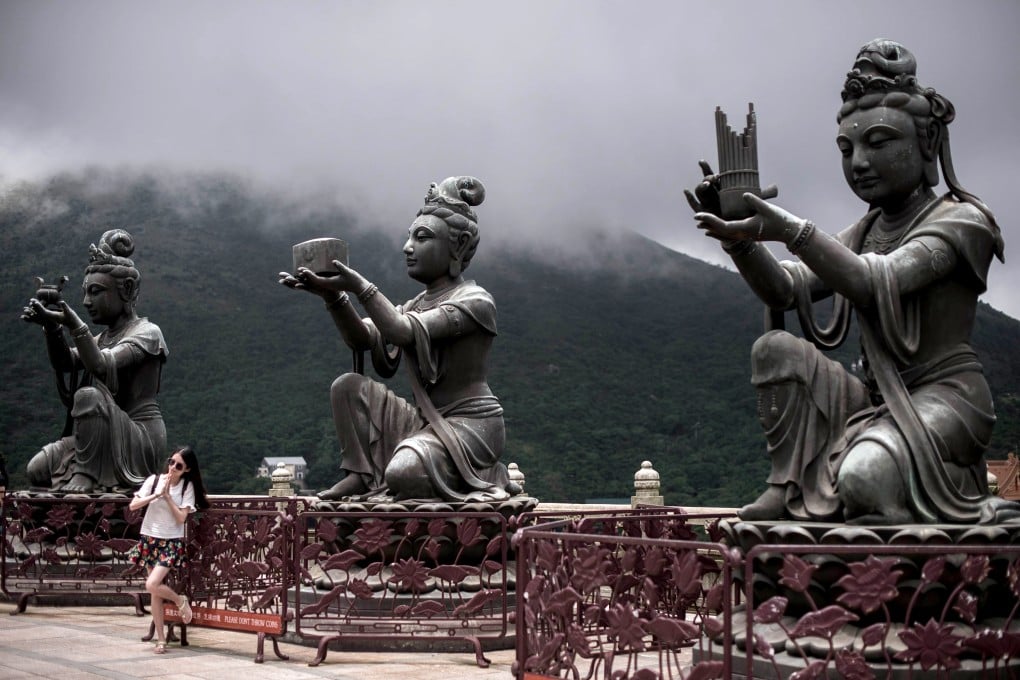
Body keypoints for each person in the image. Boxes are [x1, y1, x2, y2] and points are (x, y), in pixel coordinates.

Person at [689, 39, 1018, 525]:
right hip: (876, 401)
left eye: (878, 142)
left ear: (925, 144)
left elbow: (872, 280)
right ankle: (787, 484)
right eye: (847, 148)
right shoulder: (866, 230)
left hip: (947, 397)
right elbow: (785, 287)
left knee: (864, 478)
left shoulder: (962, 221)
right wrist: (739, 240)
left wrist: (789, 229)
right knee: (774, 348)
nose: (859, 161)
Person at [279, 176, 518, 502]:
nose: (408, 247)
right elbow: (363, 339)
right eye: (409, 238)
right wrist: (332, 297)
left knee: (403, 473)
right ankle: (360, 475)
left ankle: (486, 471)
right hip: (425, 423)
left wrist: (359, 286)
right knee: (347, 386)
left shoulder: (475, 301)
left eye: (422, 238)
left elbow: (402, 330)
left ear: (458, 245)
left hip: (471, 427)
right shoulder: (416, 305)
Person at [21, 229, 168, 494]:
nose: (87, 302)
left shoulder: (148, 334)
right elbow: (67, 362)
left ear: (127, 289)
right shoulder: (100, 338)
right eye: (85, 292)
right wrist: (52, 328)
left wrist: (73, 322)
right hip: (98, 433)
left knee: (88, 396)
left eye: (96, 292)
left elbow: (100, 365)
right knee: (38, 469)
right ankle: (83, 473)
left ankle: (87, 474)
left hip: (137, 435)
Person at [128, 445, 209, 654]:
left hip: (171, 541)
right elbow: (133, 505)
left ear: (187, 469)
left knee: (152, 584)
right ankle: (161, 639)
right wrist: (156, 495)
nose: (173, 467)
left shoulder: (185, 488)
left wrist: (168, 497)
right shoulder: (154, 480)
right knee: (155, 592)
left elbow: (182, 518)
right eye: (171, 462)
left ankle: (179, 600)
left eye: (179, 465)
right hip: (149, 538)